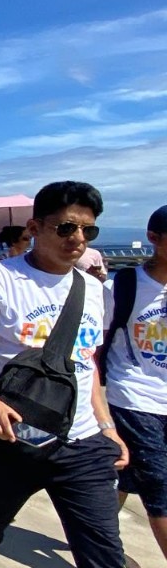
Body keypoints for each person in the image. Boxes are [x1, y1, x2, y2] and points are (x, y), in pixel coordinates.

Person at [0, 180, 128, 568]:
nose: (78, 238)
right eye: (66, 228)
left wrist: (106, 424)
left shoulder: (94, 289)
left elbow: (88, 363)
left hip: (82, 442)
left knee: (104, 550)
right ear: (35, 229)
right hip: (12, 435)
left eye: (88, 230)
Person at [103, 205, 167, 561]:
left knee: (128, 475)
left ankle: (97, 531)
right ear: (153, 239)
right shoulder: (123, 287)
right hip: (135, 396)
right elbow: (97, 339)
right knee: (160, 488)